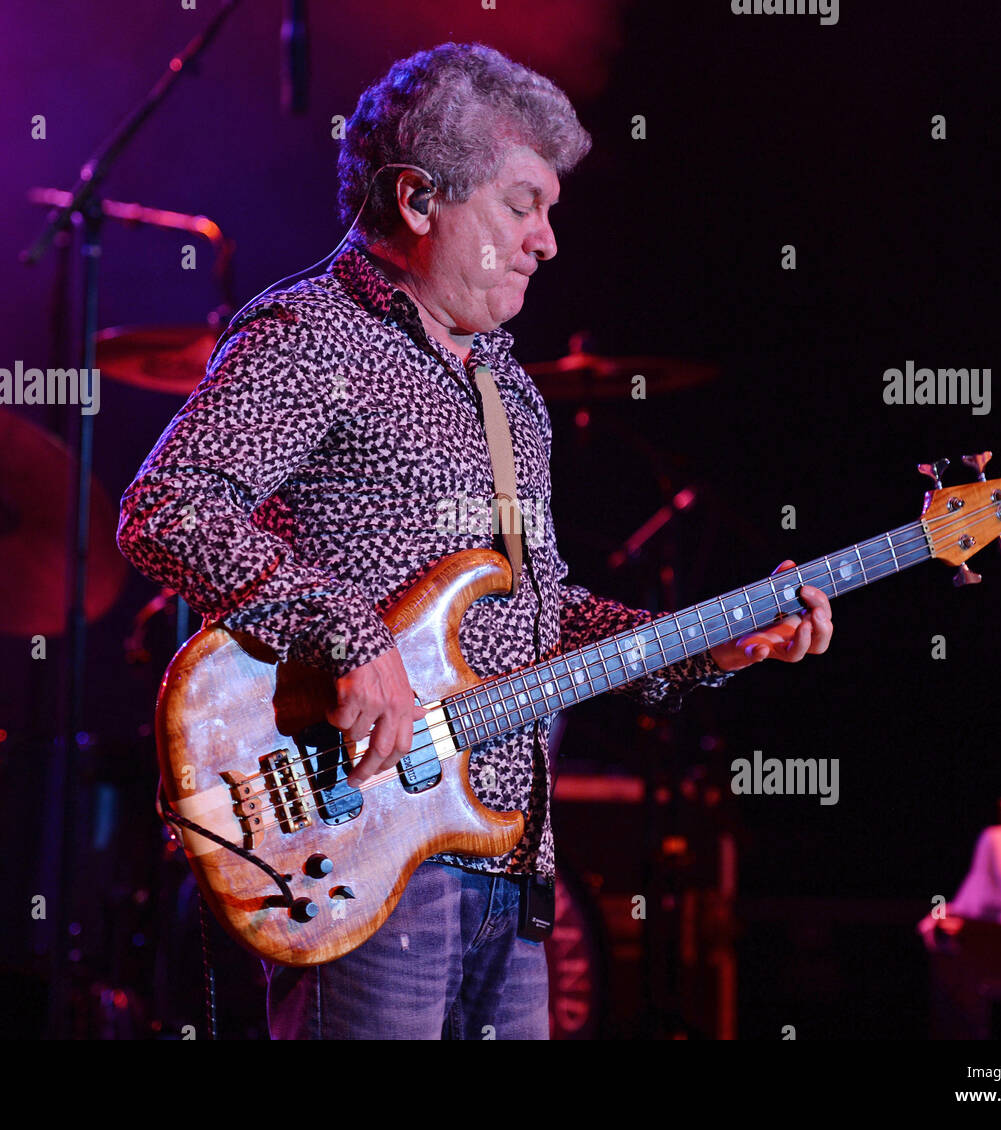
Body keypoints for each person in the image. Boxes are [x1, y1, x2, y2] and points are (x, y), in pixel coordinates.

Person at [116, 42, 832, 1040]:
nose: (546, 241)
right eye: (520, 204)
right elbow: (169, 505)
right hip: (362, 847)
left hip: (512, 862)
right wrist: (349, 636)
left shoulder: (509, 390)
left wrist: (708, 641)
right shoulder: (316, 334)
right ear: (417, 200)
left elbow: (539, 620)